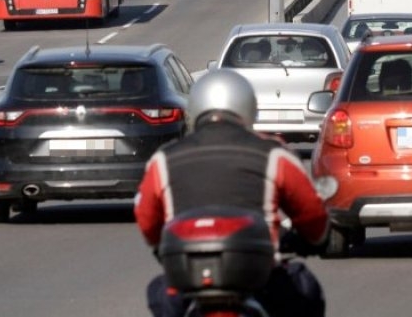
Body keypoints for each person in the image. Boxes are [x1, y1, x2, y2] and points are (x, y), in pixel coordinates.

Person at [136, 70, 329, 317]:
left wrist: (167, 248)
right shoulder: (274, 153)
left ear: (195, 108)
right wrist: (314, 239)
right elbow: (312, 215)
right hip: (261, 279)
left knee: (160, 293)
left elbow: (147, 221)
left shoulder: (163, 159)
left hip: (189, 279)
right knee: (305, 289)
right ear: (247, 106)